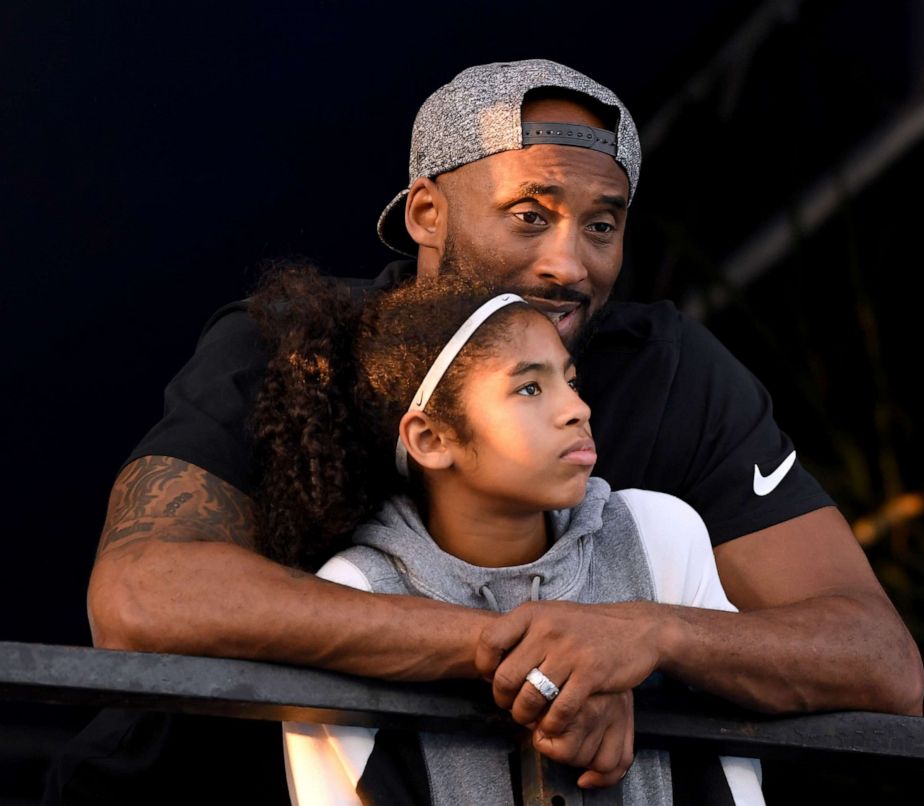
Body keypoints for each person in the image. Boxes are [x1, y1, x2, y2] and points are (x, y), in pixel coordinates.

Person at [72, 58, 922, 801]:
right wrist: (517, 651)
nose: (570, 262)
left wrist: (647, 633)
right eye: (530, 213)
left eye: (603, 224)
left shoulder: (671, 371)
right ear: (426, 213)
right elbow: (144, 597)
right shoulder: (296, 346)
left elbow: (880, 662)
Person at [255, 266, 763, 805]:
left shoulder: (657, 535)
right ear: (430, 438)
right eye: (528, 387)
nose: (577, 409)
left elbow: (734, 770)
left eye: (570, 381)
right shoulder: (357, 589)